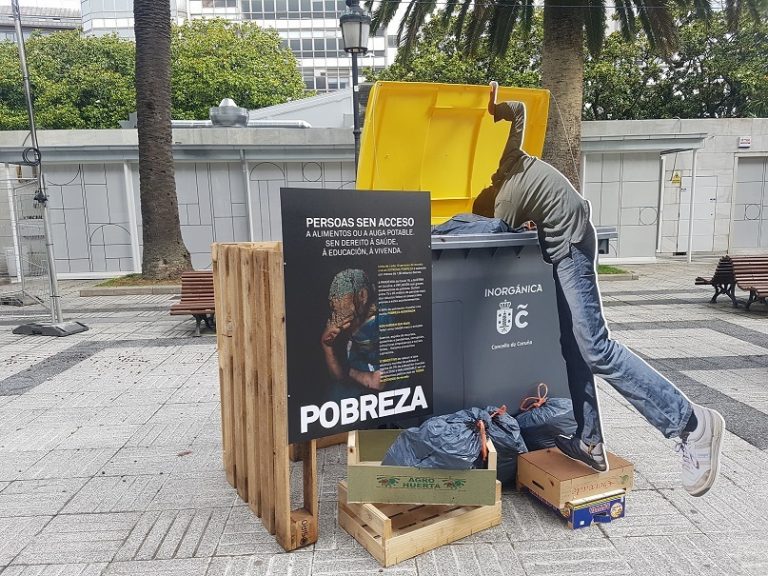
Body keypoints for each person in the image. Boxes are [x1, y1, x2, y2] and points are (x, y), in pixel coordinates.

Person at [474, 81, 725, 497]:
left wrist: (513, 224)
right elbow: (517, 112)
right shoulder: (511, 159)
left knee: (595, 347)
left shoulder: (502, 205)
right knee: (571, 346)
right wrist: (496, 107)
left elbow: (493, 237)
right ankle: (589, 442)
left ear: (491, 199)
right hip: (568, 239)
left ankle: (691, 423)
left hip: (570, 245)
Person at [321, 269, 385, 395]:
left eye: (342, 299)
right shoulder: (351, 326)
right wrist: (327, 346)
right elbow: (338, 377)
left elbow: (377, 382)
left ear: (362, 295)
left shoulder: (383, 320)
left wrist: (349, 372)